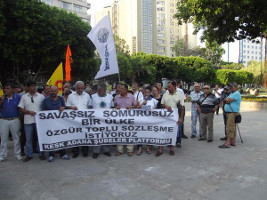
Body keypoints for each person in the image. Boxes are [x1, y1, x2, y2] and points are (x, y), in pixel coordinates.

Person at [18, 81, 45, 162]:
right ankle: (29, 154)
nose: (33, 88)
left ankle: (41, 153)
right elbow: (20, 108)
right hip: (28, 121)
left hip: (39, 121)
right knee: (28, 139)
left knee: (39, 138)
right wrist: (29, 112)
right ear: (28, 87)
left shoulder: (41, 96)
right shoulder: (24, 97)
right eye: (31, 86)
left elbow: (44, 107)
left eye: (34, 86)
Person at [42, 86, 70, 162]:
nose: (53, 92)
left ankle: (63, 153)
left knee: (62, 137)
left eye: (55, 91)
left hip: (60, 123)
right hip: (50, 124)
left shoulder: (61, 99)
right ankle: (51, 154)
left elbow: (64, 107)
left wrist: (63, 108)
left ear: (58, 91)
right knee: (51, 139)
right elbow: (43, 111)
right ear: (49, 91)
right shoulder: (45, 100)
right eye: (52, 91)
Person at [158, 81, 185, 156]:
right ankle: (160, 149)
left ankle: (171, 149)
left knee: (174, 133)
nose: (168, 88)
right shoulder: (165, 94)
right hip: (165, 117)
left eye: (169, 87)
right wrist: (166, 106)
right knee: (162, 132)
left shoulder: (179, 95)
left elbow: (182, 107)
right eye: (168, 86)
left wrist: (181, 118)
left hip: (175, 117)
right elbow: (162, 104)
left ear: (174, 87)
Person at [66, 81, 91, 158]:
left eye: (81, 88)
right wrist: (71, 107)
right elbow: (67, 106)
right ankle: (75, 151)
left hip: (84, 119)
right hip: (74, 120)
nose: (80, 90)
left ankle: (85, 151)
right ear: (75, 88)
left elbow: (90, 106)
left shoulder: (87, 96)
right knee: (75, 136)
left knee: (85, 135)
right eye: (78, 88)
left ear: (83, 88)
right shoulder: (70, 96)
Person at [88, 83, 113, 158]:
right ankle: (96, 151)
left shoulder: (110, 97)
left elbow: (112, 108)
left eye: (101, 90)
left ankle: (106, 150)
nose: (99, 92)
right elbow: (89, 107)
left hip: (106, 120)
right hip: (96, 120)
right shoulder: (93, 97)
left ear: (105, 90)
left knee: (106, 135)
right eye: (98, 90)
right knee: (96, 135)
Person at [0, 83, 22, 161]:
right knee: (3, 138)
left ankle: (17, 154)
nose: (5, 90)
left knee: (16, 137)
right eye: (5, 88)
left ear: (12, 89)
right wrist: (1, 101)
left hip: (15, 119)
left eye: (7, 88)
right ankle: (2, 155)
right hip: (3, 120)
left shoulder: (18, 97)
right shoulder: (2, 98)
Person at [114, 84, 136, 156]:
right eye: (119, 88)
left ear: (126, 90)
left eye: (122, 88)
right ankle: (120, 150)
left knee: (129, 134)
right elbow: (114, 106)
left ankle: (130, 150)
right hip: (119, 119)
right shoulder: (116, 97)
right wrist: (116, 107)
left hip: (129, 119)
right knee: (119, 134)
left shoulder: (131, 96)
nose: (120, 90)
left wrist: (131, 107)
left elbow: (136, 106)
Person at [136, 86, 158, 156]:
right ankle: (139, 148)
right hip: (141, 120)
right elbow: (137, 108)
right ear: (143, 93)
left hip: (149, 121)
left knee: (149, 134)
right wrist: (143, 103)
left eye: (148, 92)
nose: (146, 93)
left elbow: (156, 110)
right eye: (145, 92)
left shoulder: (154, 101)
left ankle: (148, 147)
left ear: (150, 93)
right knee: (139, 134)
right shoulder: (140, 99)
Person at [219, 83, 241, 148]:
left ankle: (228, 143)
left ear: (236, 87)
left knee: (229, 128)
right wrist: (226, 100)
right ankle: (233, 142)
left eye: (232, 87)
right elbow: (226, 100)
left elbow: (227, 100)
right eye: (230, 87)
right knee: (233, 127)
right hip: (229, 113)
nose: (231, 88)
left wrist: (226, 100)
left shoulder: (236, 93)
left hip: (232, 113)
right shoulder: (231, 93)